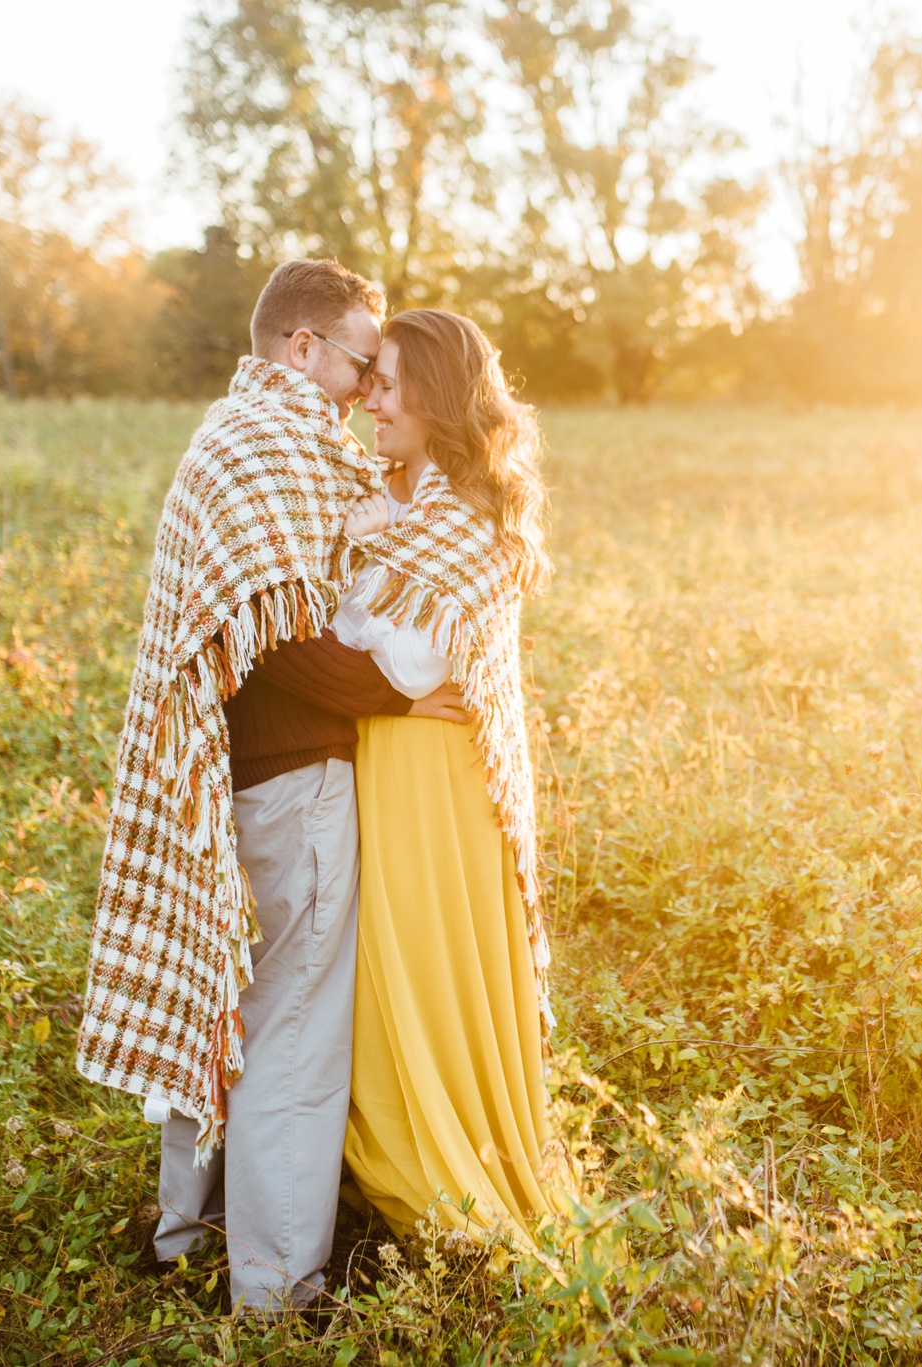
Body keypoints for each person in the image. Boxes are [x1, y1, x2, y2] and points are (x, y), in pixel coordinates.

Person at [74, 260, 466, 1312]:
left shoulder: (230, 440)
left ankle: (185, 1235)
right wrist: (392, 690)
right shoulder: (274, 445)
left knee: (226, 1002)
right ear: (302, 350)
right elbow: (284, 633)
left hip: (228, 782)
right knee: (293, 1021)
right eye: (357, 360)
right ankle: (277, 1286)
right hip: (292, 777)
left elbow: (271, 604)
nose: (363, 387)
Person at [333, 309, 569, 1243]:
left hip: (435, 776)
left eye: (386, 382)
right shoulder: (405, 505)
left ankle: (440, 1176)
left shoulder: (463, 518)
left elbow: (405, 660)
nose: (370, 400)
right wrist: (374, 538)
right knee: (386, 965)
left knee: (426, 964)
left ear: (432, 394)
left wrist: (365, 556)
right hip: (393, 758)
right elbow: (374, 642)